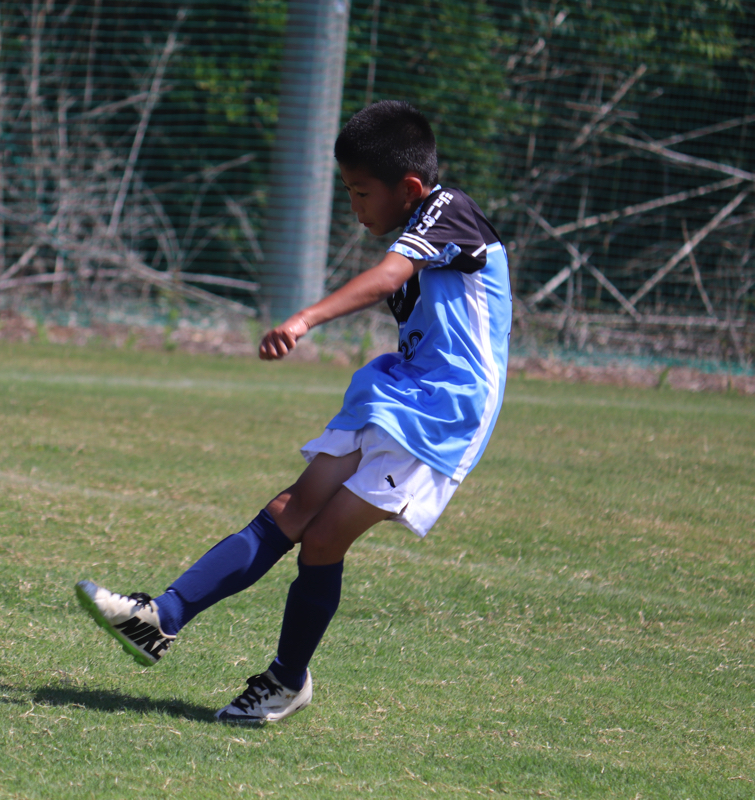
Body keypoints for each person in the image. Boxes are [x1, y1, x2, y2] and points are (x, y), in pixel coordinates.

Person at [75, 100, 512, 723]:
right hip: (399, 389)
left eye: (361, 193)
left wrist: (304, 319)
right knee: (292, 511)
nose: (354, 207)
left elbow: (388, 278)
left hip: (446, 410)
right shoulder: (420, 222)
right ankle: (160, 618)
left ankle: (285, 680)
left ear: (410, 189)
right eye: (348, 191)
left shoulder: (450, 210)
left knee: (324, 538)